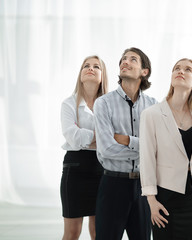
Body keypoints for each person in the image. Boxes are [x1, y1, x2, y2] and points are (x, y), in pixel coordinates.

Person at [93, 47, 156, 240]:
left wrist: (128, 140)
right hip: (113, 185)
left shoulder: (154, 105)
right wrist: (146, 148)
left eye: (132, 60)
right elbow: (107, 149)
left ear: (144, 72)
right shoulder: (103, 103)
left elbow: (160, 148)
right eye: (123, 59)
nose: (125, 62)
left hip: (145, 188)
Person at [140, 58, 192, 240]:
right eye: (176, 68)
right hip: (165, 199)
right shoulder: (151, 114)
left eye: (187, 69)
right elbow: (147, 160)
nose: (180, 71)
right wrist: (151, 201)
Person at [60, 55, 108, 240]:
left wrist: (88, 137)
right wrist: (102, 137)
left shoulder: (109, 104)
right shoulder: (68, 103)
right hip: (75, 170)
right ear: (80, 75)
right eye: (86, 66)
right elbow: (73, 136)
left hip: (103, 169)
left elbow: (114, 138)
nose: (90, 68)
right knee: (72, 233)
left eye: (96, 66)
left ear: (102, 76)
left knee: (98, 231)